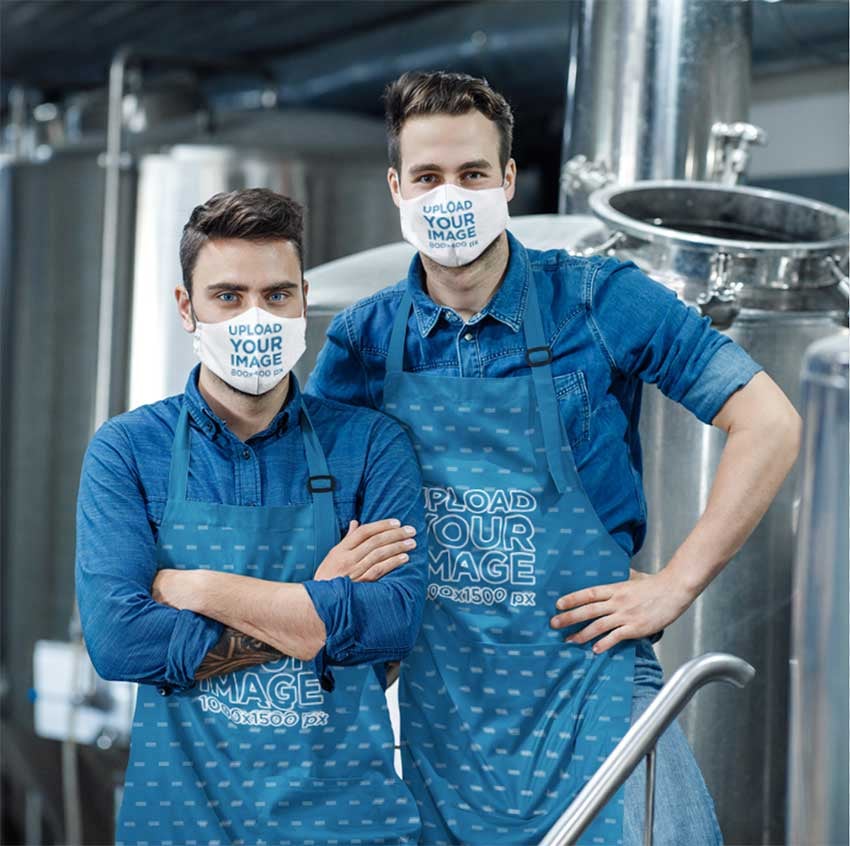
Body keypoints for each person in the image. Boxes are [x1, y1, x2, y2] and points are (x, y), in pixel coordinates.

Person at [306, 71, 802, 845]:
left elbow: (768, 422)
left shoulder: (600, 299)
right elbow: (316, 507)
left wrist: (677, 586)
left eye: (472, 174)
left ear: (507, 179)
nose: (450, 196)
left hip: (594, 694)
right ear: (397, 188)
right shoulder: (364, 341)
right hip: (442, 714)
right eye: (429, 177)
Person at [76, 188, 427, 845]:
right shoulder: (129, 451)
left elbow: (394, 622)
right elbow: (119, 640)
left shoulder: (371, 445)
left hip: (346, 826)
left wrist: (201, 591)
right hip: (179, 826)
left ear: (301, 299)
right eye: (229, 297)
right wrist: (315, 608)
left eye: (276, 296)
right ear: (188, 308)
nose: (256, 318)